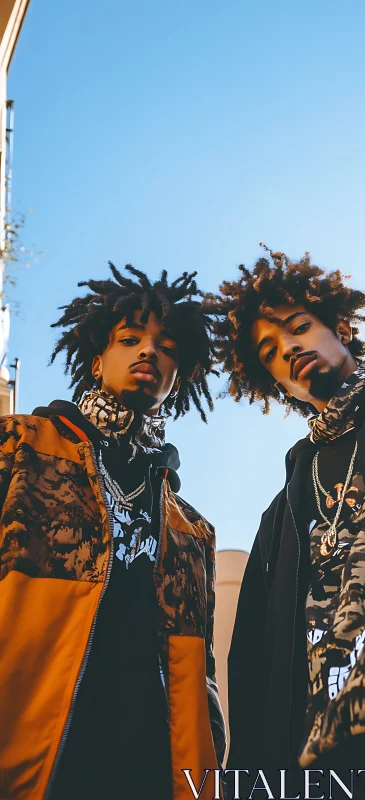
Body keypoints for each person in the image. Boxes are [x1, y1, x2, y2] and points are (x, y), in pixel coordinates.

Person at [207, 245, 365, 794]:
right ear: (277, 384)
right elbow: (252, 672)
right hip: (323, 770)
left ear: (341, 328)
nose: (289, 347)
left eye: (299, 327)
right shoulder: (279, 517)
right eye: (270, 351)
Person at [0, 263, 225, 800]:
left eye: (166, 347)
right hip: (30, 761)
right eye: (130, 339)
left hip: (151, 773)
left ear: (177, 377)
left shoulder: (191, 529)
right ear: (97, 361)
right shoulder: (19, 447)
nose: (148, 351)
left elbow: (203, 675)